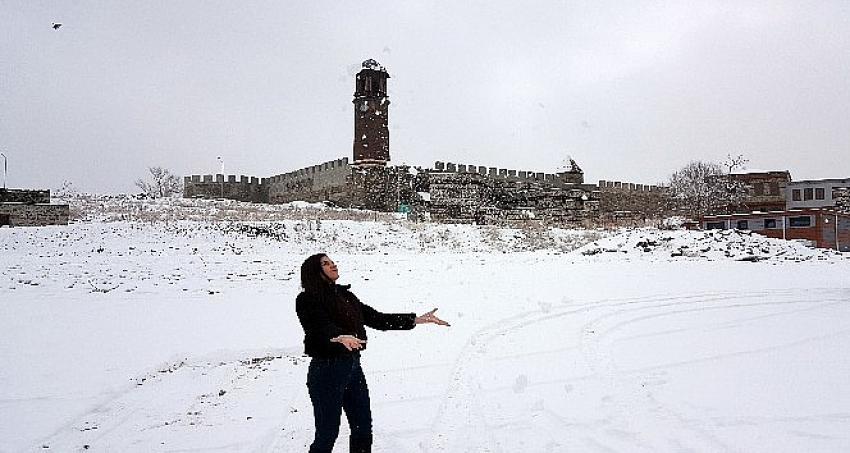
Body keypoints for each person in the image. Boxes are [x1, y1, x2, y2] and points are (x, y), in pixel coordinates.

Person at [296, 253, 449, 453]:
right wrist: (338, 336)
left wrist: (415, 320)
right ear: (315, 271)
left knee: (363, 428)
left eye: (332, 261)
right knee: (327, 433)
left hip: (352, 368)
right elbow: (317, 327)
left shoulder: (345, 296)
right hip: (326, 371)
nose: (333, 265)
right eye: (326, 263)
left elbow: (377, 318)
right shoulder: (307, 299)